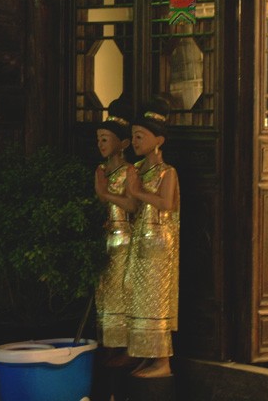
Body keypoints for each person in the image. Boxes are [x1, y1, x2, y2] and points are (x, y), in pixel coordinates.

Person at [124, 97, 180, 378]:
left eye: (140, 136)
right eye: (133, 136)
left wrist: (137, 192)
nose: (135, 141)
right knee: (139, 298)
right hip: (139, 239)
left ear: (158, 140)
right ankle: (147, 355)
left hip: (158, 240)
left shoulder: (167, 172)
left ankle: (162, 361)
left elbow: (166, 203)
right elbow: (132, 205)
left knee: (155, 300)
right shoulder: (137, 170)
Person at [93, 100, 136, 363]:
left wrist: (106, 193)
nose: (101, 144)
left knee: (120, 292)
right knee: (104, 293)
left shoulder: (129, 171)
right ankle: (106, 343)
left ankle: (123, 345)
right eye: (98, 139)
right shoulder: (101, 170)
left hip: (123, 236)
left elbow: (131, 204)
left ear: (123, 143)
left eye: (105, 139)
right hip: (104, 237)